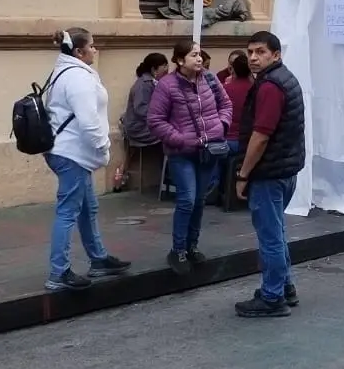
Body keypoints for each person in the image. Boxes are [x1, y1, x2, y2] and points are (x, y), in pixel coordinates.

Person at [41, 27, 132, 290]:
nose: (95, 49)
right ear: (79, 51)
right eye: (92, 46)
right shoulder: (78, 78)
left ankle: (99, 259)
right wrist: (103, 147)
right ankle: (58, 274)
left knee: (87, 207)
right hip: (72, 154)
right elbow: (88, 121)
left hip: (68, 151)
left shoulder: (65, 70)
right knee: (68, 212)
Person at [233, 30, 306, 318]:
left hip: (269, 172)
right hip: (284, 169)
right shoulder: (282, 78)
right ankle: (284, 286)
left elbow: (261, 135)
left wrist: (243, 174)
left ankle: (273, 296)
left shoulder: (270, 86)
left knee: (270, 236)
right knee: (276, 231)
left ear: (275, 54)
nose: (253, 57)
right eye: (250, 51)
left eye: (260, 51)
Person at [147, 39, 233, 276]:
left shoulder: (211, 79)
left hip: (209, 150)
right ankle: (178, 250)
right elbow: (155, 120)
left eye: (199, 54)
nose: (198, 58)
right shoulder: (167, 86)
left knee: (199, 201)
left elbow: (226, 104)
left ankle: (192, 245)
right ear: (179, 60)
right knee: (187, 199)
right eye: (193, 55)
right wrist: (180, 139)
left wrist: (221, 126)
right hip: (182, 153)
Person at [118, 52, 169, 193]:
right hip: (139, 129)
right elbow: (141, 109)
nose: (166, 71)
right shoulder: (144, 84)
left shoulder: (150, 82)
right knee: (170, 136)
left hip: (144, 125)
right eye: (164, 68)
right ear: (154, 69)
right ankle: (169, 176)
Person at [220, 49, 255, 204]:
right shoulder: (255, 89)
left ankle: (214, 190)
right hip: (246, 142)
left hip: (225, 140)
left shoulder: (225, 88)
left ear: (232, 69)